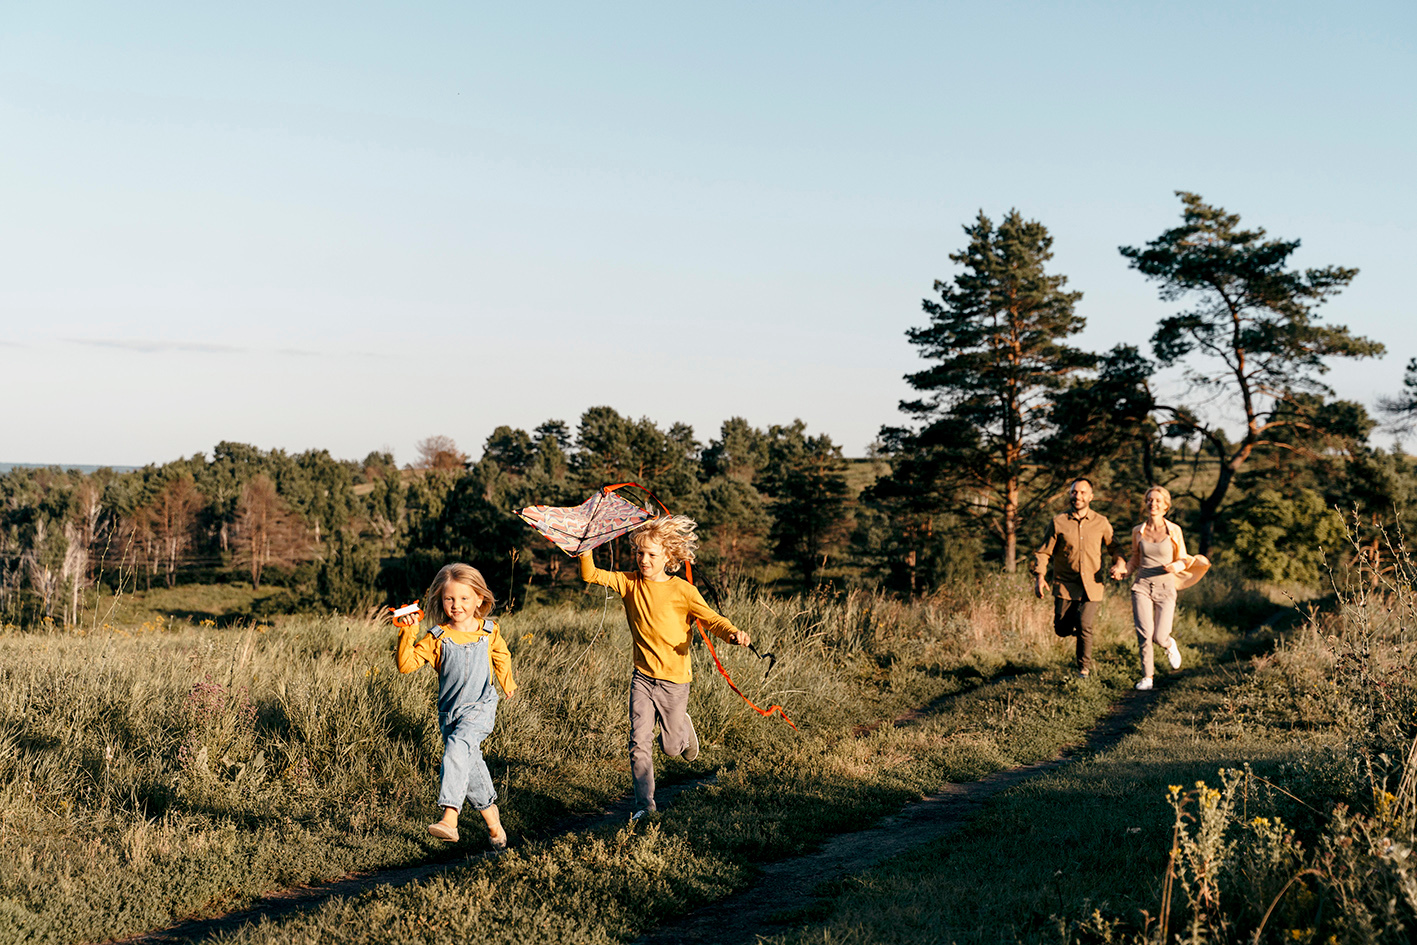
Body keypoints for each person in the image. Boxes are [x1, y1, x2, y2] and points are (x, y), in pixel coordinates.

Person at [579, 514, 752, 819]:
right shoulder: (628, 583)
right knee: (638, 742)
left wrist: (732, 634)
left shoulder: (683, 591)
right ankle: (644, 806)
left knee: (672, 748)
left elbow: (712, 620)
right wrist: (585, 546)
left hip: (675, 681)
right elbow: (590, 574)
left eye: (651, 554)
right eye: (639, 553)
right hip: (643, 678)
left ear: (668, 557)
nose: (643, 560)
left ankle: (682, 728)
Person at [395, 563, 517, 848]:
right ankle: (493, 822)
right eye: (449, 598)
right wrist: (407, 633)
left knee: (458, 746)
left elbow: (501, 654)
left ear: (479, 599)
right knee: (468, 762)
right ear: (441, 599)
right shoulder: (437, 636)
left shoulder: (488, 631)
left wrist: (507, 682)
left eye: (464, 598)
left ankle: (450, 817)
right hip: (450, 713)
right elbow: (405, 665)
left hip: (481, 706)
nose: (456, 605)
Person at [1032, 477, 1127, 678]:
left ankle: (1083, 669)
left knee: (1085, 625)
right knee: (1061, 628)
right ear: (1070, 495)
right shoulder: (1058, 522)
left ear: (1091, 497)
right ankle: (1076, 628)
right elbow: (1043, 552)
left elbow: (1115, 547)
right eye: (1074, 492)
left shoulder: (1101, 522)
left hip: (1092, 584)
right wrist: (1040, 577)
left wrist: (1120, 563)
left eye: (1083, 492)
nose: (1078, 496)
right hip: (1065, 584)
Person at [1124, 485, 1208, 691]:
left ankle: (1169, 645)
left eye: (1157, 501)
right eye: (1149, 500)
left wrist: (1175, 566)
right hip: (1142, 585)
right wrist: (1124, 570)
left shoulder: (1174, 530)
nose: (1153, 503)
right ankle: (1147, 677)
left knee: (1159, 636)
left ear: (1165, 506)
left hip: (1166, 587)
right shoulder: (1137, 531)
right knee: (1144, 633)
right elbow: (1135, 557)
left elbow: (1183, 558)